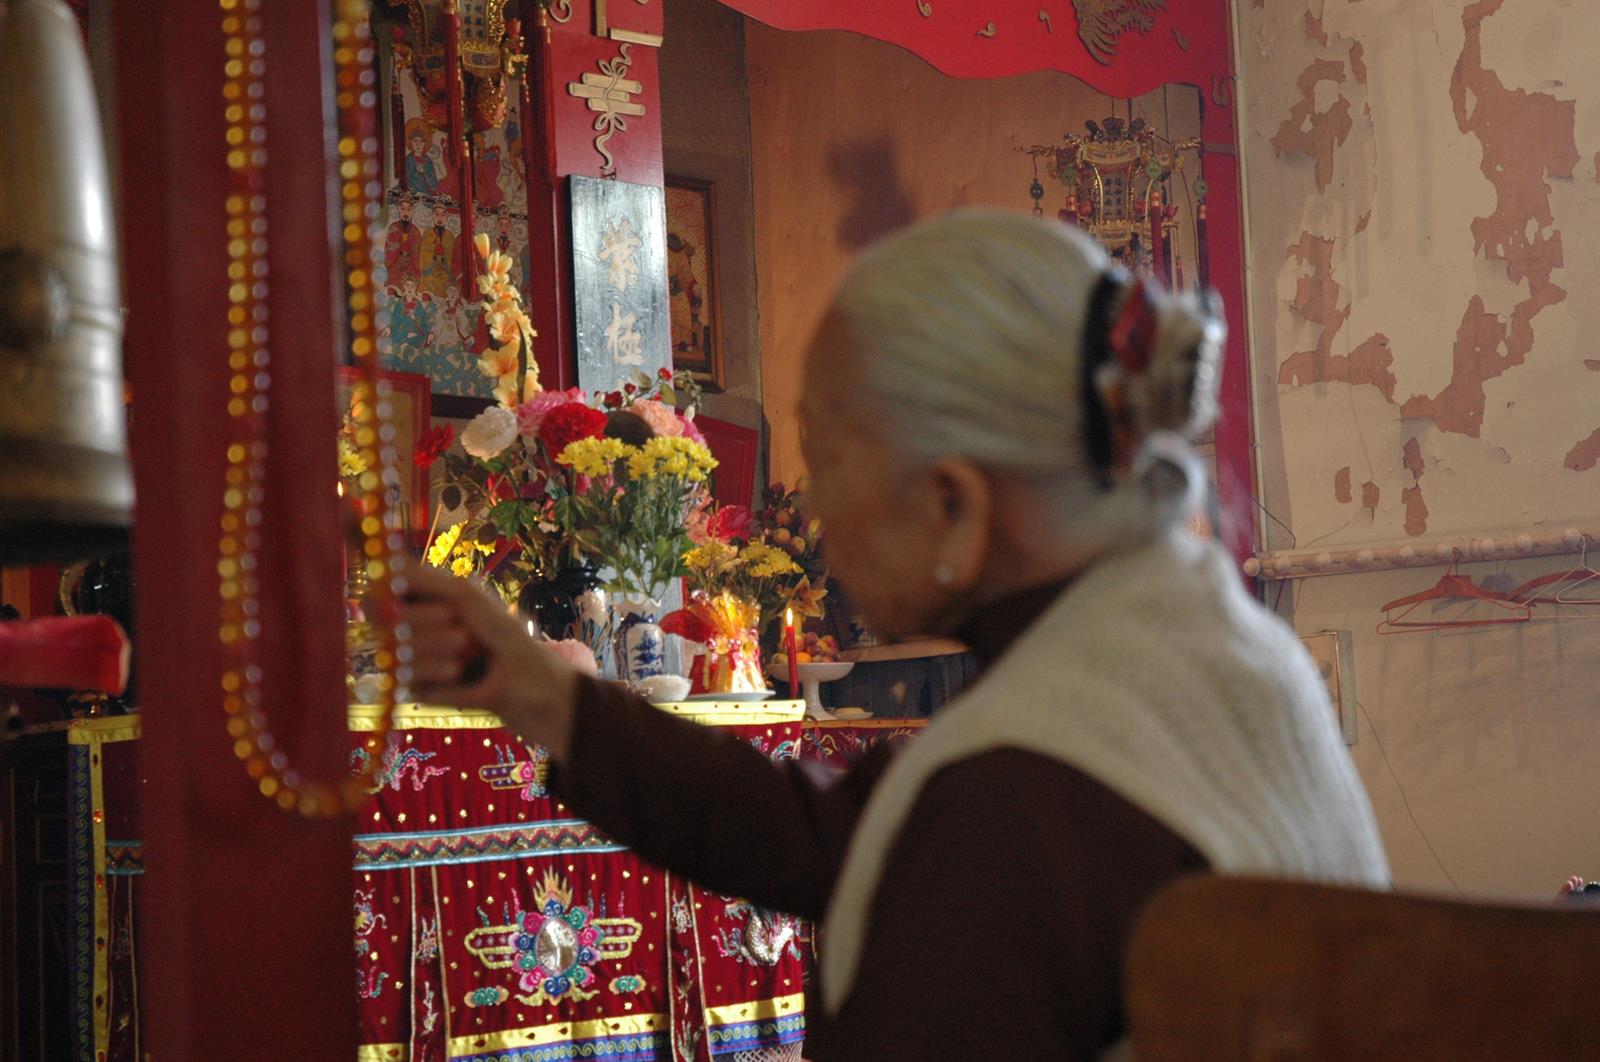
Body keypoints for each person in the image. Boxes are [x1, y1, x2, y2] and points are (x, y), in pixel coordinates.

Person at [403, 210, 1390, 1059]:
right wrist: (540, 692)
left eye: (830, 460)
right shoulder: (1204, 655)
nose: (816, 514)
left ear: (953, 504)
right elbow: (842, 836)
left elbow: (947, 856)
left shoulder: (1018, 798)